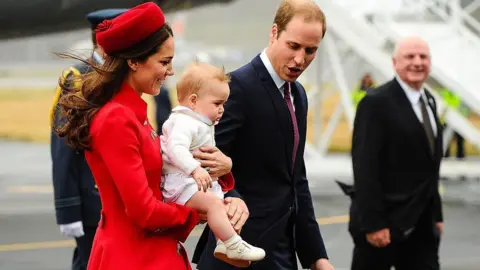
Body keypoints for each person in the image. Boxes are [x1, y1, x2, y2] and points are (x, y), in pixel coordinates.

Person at [53, 3, 240, 269]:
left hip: (150, 252)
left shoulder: (133, 112)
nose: (171, 71)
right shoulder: (118, 118)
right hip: (134, 256)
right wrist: (197, 212)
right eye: (164, 62)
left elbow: (164, 181)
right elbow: (143, 211)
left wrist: (217, 193)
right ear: (133, 61)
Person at [193, 0, 334, 269]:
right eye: (293, 46)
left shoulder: (299, 95)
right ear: (273, 33)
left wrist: (317, 256)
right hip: (236, 252)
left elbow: (296, 180)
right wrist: (232, 195)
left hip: (281, 252)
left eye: (310, 50)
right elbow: (204, 160)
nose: (300, 59)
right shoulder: (236, 88)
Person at [349, 36, 443, 269]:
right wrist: (373, 224)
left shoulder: (428, 100)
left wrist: (436, 215)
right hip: (385, 224)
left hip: (422, 224)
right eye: (410, 56)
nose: (417, 62)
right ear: (394, 62)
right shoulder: (376, 102)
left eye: (423, 57)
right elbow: (365, 167)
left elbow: (429, 167)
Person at [161, 61, 266, 267]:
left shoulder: (200, 122)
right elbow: (175, 149)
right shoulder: (184, 122)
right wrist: (195, 169)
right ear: (193, 101)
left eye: (224, 104)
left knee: (225, 206)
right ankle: (231, 243)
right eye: (217, 104)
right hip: (180, 184)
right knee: (215, 204)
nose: (222, 110)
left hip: (193, 184)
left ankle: (224, 245)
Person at [49, 8, 126, 270]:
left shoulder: (126, 74)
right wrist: (67, 208)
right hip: (91, 203)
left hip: (121, 200)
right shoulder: (78, 79)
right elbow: (63, 148)